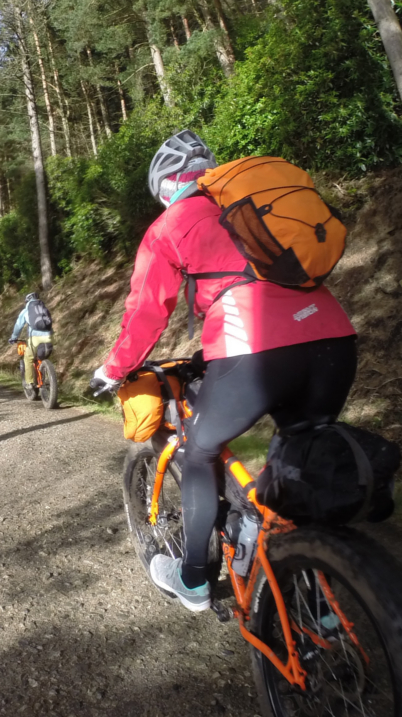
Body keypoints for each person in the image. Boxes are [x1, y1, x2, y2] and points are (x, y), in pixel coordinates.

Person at [89, 130, 357, 613]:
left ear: (165, 187)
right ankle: (319, 593)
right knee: (301, 450)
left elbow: (147, 312)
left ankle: (194, 580)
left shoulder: (170, 225)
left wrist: (114, 369)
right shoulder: (251, 207)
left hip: (254, 346)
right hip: (333, 337)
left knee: (199, 450)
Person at [8, 293, 53, 389]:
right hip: (49, 337)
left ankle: (30, 382)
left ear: (27, 301)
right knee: (42, 355)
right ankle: (48, 375)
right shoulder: (44, 309)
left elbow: (18, 325)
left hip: (35, 338)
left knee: (28, 358)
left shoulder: (26, 310)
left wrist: (14, 337)